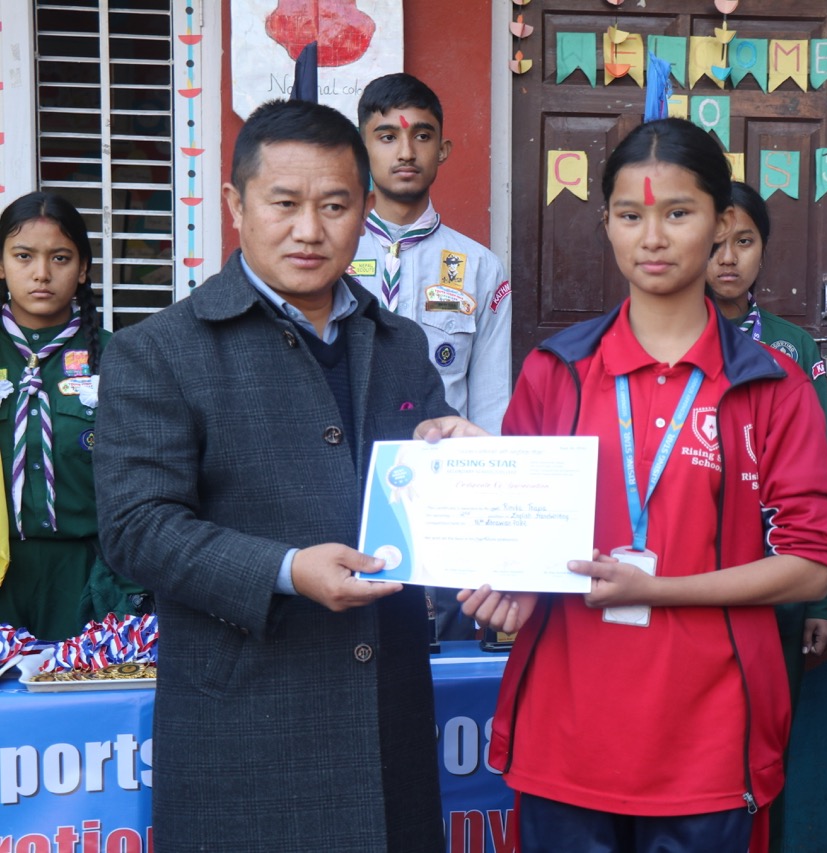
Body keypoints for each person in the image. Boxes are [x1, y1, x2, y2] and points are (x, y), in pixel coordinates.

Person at [94, 99, 471, 852]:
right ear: (236, 206)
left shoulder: (399, 343)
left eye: (334, 205)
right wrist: (287, 570)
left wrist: (463, 463)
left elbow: (427, 497)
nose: (309, 230)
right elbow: (137, 530)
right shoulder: (159, 351)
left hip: (386, 722)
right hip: (246, 727)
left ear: (365, 210)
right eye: (284, 203)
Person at [460, 118, 827, 852]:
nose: (653, 238)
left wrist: (657, 589)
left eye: (678, 213)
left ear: (722, 223)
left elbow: (808, 567)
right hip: (567, 728)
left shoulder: (773, 385)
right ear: (606, 222)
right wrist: (505, 579)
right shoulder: (556, 372)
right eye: (631, 215)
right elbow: (521, 537)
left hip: (710, 739)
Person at [704, 180, 827, 852]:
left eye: (744, 241)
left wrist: (825, 596)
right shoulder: (673, 339)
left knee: (764, 754)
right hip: (687, 579)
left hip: (778, 585)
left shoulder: (794, 347)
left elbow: (822, 473)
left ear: (764, 248)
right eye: (715, 243)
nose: (728, 258)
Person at [352, 71, 512, 640]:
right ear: (361, 148)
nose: (405, 151)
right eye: (386, 136)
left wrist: (489, 506)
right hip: (350, 486)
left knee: (451, 649)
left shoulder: (479, 267)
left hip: (448, 498)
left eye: (421, 136)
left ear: (442, 149)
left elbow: (490, 397)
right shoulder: (331, 257)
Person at [0, 192, 144, 640]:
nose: (42, 273)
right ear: (1, 264)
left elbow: (144, 482)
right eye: (24, 256)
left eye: (60, 258)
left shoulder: (118, 357)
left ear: (82, 269)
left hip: (89, 578)